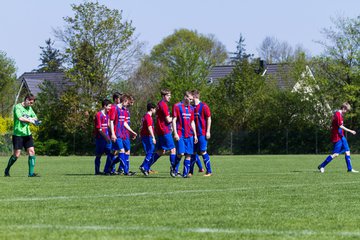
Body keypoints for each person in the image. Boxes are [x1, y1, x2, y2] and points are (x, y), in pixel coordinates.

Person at [4, 94, 41, 177]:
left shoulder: (29, 108)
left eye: (32, 103)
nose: (31, 104)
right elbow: (20, 118)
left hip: (28, 134)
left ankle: (31, 174)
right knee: (16, 155)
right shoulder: (17, 107)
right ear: (26, 99)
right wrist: (31, 121)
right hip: (18, 134)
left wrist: (35, 120)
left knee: (32, 152)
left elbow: (35, 117)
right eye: (30, 102)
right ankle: (7, 169)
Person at [318, 102, 358, 173]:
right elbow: (340, 126)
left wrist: (331, 126)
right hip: (337, 137)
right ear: (343, 108)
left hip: (341, 136)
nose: (346, 112)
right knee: (335, 154)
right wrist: (351, 131)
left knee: (347, 151)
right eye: (346, 110)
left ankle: (350, 169)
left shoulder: (339, 114)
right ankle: (322, 165)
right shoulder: (338, 114)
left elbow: (333, 123)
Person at [148, 89, 177, 173]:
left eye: (170, 95)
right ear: (163, 96)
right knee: (173, 149)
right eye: (168, 95)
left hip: (160, 130)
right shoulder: (163, 105)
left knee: (161, 151)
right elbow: (168, 120)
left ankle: (146, 166)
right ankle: (174, 170)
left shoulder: (159, 104)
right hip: (164, 130)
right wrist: (176, 118)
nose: (170, 97)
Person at [171, 91, 198, 178]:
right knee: (181, 153)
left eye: (192, 99)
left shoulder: (192, 108)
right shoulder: (177, 106)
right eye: (189, 99)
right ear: (185, 97)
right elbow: (174, 120)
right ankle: (174, 167)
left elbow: (192, 122)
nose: (191, 101)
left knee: (189, 154)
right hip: (180, 133)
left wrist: (195, 134)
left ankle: (185, 174)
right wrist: (175, 133)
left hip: (189, 134)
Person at [190, 90, 212, 177]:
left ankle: (209, 171)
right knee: (192, 152)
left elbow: (209, 118)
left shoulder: (204, 106)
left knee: (203, 151)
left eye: (191, 97)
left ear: (195, 97)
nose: (190, 99)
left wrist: (208, 131)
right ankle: (190, 172)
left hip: (202, 133)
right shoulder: (191, 107)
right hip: (193, 134)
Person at [93, 99, 112, 175]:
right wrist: (106, 138)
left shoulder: (107, 115)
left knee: (111, 154)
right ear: (105, 106)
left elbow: (108, 125)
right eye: (109, 106)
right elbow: (99, 129)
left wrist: (112, 134)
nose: (110, 108)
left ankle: (108, 170)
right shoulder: (98, 115)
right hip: (100, 139)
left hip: (107, 139)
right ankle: (97, 171)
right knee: (98, 156)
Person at [139, 103, 157, 176]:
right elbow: (149, 127)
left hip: (145, 136)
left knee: (150, 152)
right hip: (147, 136)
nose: (155, 110)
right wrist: (153, 137)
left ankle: (145, 167)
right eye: (155, 109)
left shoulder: (145, 116)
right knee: (151, 151)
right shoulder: (148, 116)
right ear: (151, 109)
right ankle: (143, 166)